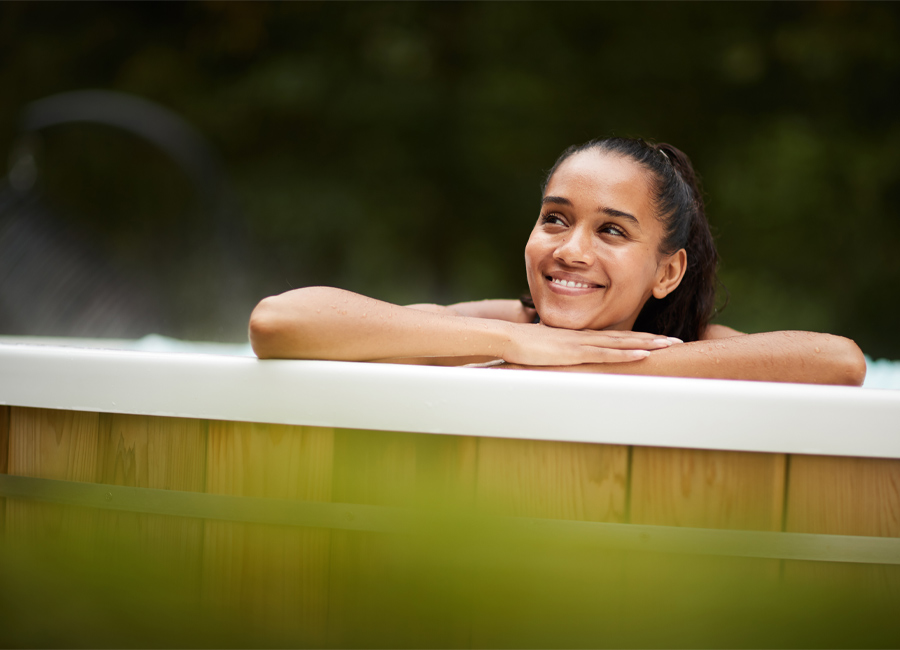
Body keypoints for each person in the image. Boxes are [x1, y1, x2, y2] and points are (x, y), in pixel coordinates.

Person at [248, 137, 866, 386]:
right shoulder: (508, 326)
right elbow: (279, 322)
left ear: (667, 272)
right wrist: (520, 344)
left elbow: (839, 361)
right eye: (556, 218)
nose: (571, 250)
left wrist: (596, 362)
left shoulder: (685, 343)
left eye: (612, 231)